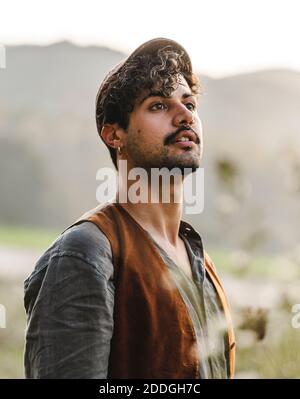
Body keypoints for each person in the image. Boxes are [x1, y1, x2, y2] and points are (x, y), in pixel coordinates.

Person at [24, 38, 235, 379]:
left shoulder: (199, 258)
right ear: (115, 135)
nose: (185, 116)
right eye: (157, 106)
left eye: (190, 104)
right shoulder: (84, 254)